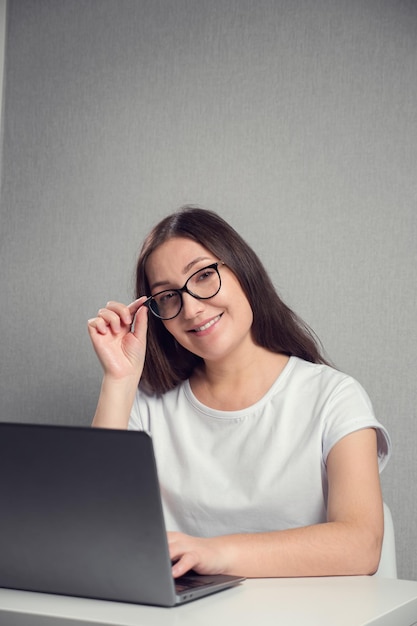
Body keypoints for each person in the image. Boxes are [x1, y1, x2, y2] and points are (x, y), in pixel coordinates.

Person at [88, 206, 391, 579]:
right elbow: (93, 525)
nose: (192, 308)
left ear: (242, 270)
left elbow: (361, 546)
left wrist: (215, 552)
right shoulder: (147, 405)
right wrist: (118, 380)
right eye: (167, 296)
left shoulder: (333, 397)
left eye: (202, 276)